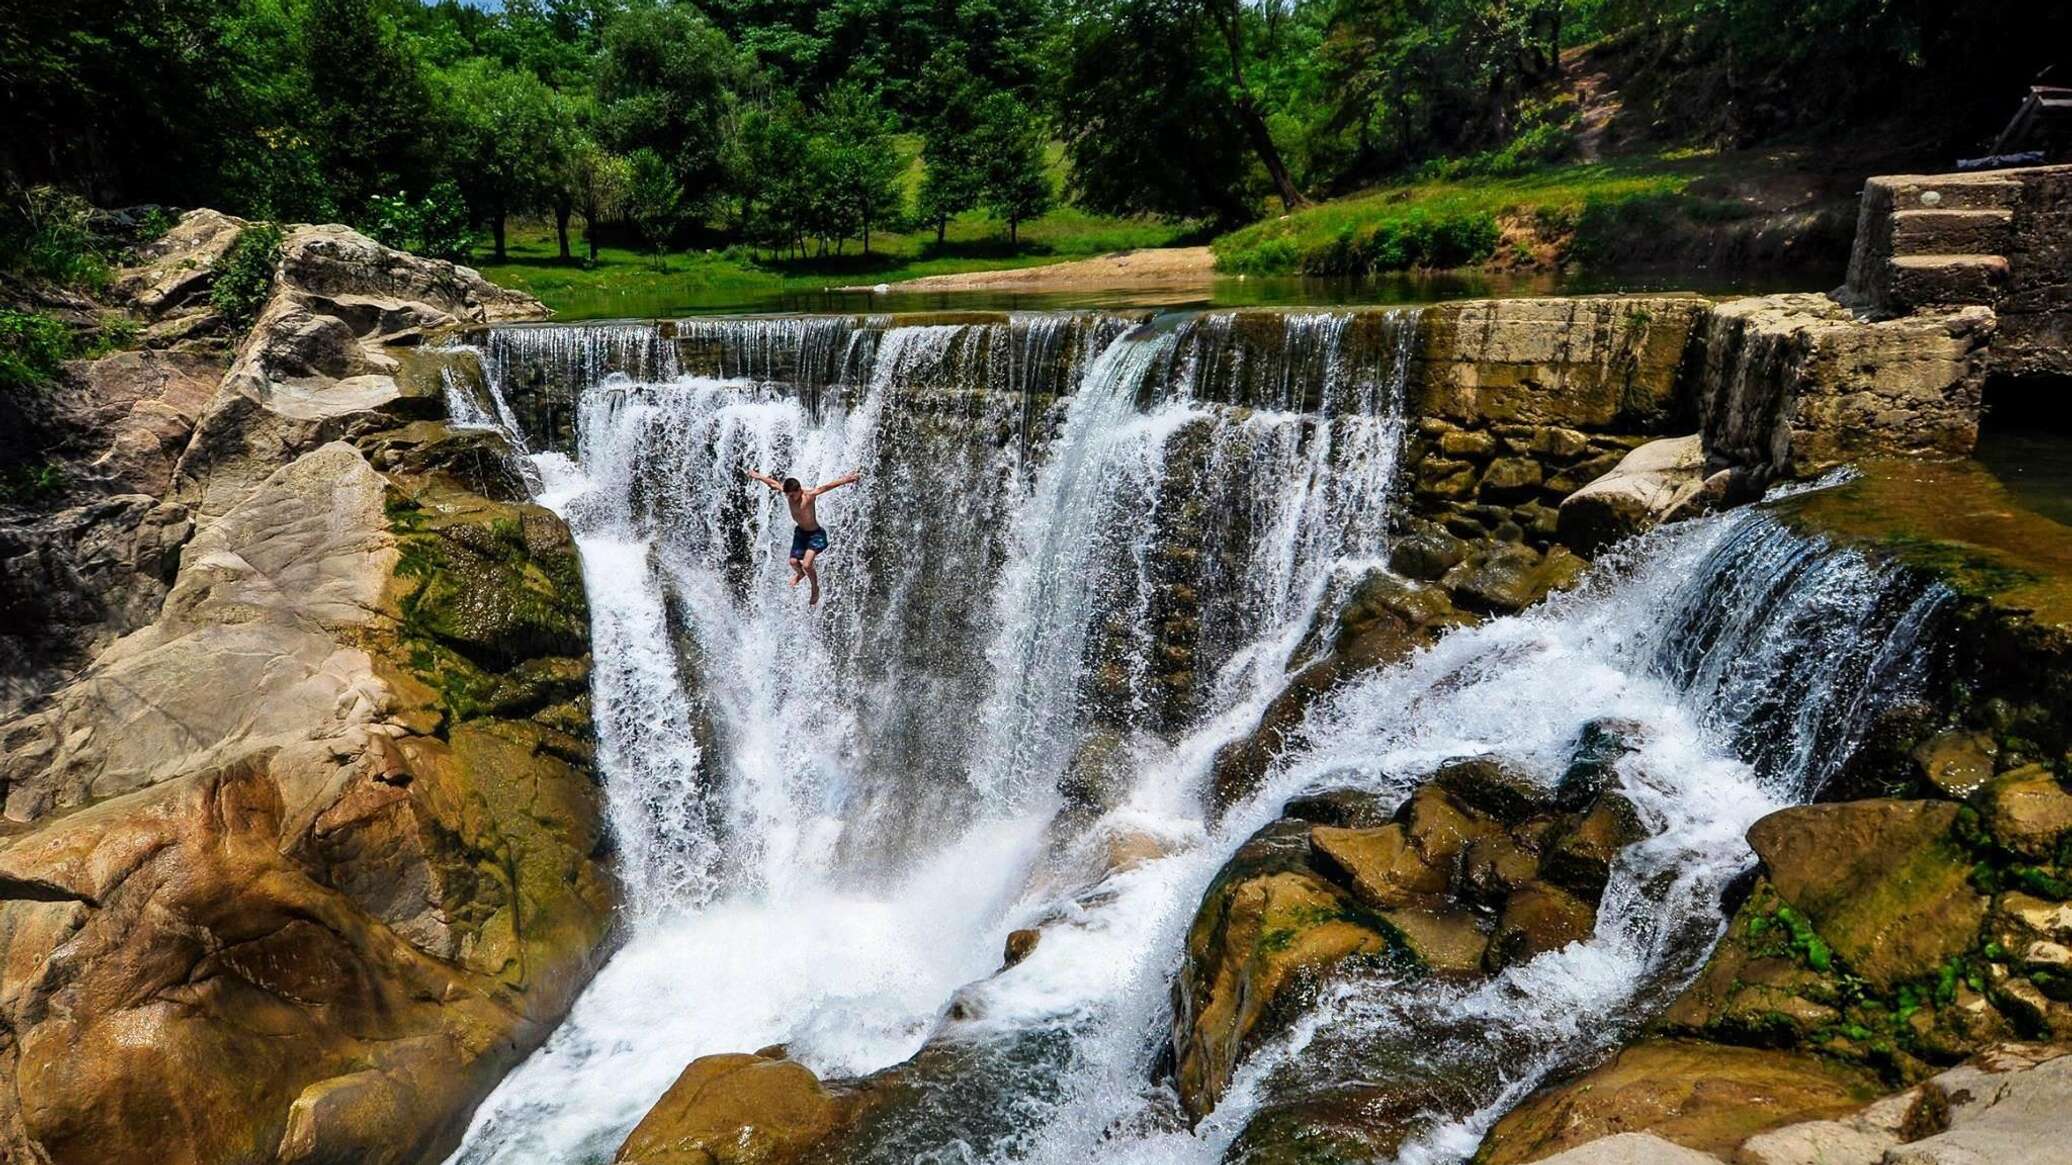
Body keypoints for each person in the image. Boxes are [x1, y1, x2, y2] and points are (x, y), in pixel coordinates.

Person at [743, 467, 861, 605]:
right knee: (793, 562)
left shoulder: (809, 495)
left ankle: (815, 588)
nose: (789, 498)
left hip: (815, 535)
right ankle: (800, 574)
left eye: (792, 495)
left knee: (806, 564)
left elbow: (827, 486)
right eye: (787, 495)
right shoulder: (789, 493)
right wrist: (757, 476)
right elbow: (773, 483)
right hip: (801, 533)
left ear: (799, 490)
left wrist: (846, 479)